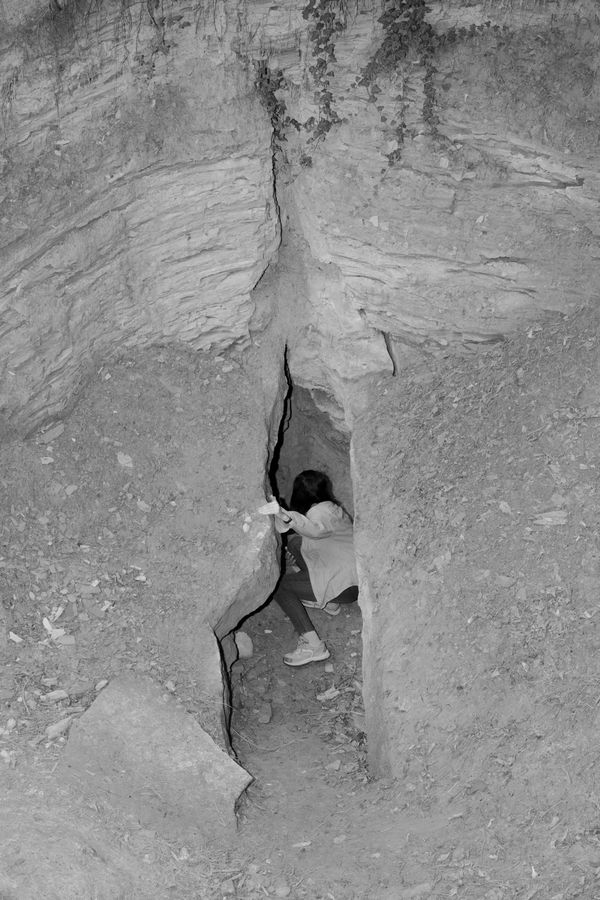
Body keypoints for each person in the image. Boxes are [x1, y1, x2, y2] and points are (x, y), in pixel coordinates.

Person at [258, 470, 358, 667]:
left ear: (300, 495)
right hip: (353, 581)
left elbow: (314, 530)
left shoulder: (320, 513)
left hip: (343, 585)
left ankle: (314, 646)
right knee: (296, 543)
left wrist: (285, 515)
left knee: (279, 587)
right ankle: (330, 603)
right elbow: (313, 535)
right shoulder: (335, 509)